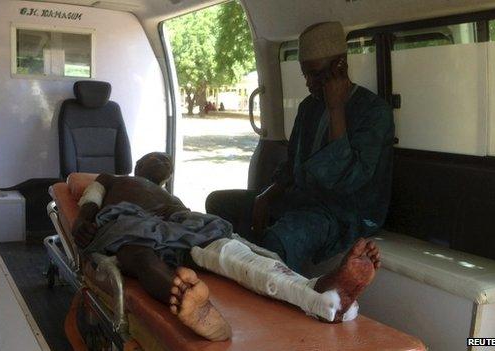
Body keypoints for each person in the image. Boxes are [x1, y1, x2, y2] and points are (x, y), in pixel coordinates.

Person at [72, 152, 382, 341]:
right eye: (154, 157)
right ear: (138, 164)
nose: (160, 161)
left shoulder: (171, 196)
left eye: (163, 161)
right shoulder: (113, 179)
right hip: (130, 221)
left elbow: (184, 216)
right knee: (140, 258)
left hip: (182, 219)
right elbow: (91, 197)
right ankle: (186, 300)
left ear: (166, 178)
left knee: (237, 255)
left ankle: (319, 293)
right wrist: (84, 219)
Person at [206, 21, 395, 273]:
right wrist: (267, 195)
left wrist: (335, 108)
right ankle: (233, 273)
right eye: (305, 74)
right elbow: (292, 165)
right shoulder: (309, 107)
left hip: (343, 214)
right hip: (301, 199)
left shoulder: (374, 112)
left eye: (315, 74)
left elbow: (346, 180)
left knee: (279, 239)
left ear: (340, 66)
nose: (308, 83)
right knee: (218, 203)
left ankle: (270, 298)